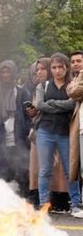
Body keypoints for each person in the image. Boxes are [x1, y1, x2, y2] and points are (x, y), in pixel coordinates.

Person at [34, 53, 79, 212]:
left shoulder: (72, 85)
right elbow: (39, 104)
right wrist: (59, 105)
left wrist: (51, 103)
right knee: (45, 170)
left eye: (61, 67)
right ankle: (44, 205)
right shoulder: (43, 86)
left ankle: (75, 205)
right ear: (50, 69)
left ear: (66, 68)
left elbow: (71, 104)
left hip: (65, 133)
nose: (57, 70)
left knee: (70, 170)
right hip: (45, 132)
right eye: (54, 67)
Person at [0, 60, 32, 196]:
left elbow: (29, 114)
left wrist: (25, 130)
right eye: (2, 71)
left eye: (8, 71)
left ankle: (23, 202)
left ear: (13, 72)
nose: (5, 75)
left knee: (21, 169)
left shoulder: (22, 92)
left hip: (18, 137)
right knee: (2, 170)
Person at [67, 50, 83, 218]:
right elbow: (71, 90)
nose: (76, 64)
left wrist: (77, 82)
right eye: (73, 62)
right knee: (81, 168)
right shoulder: (76, 80)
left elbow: (72, 92)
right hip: (80, 128)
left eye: (79, 61)